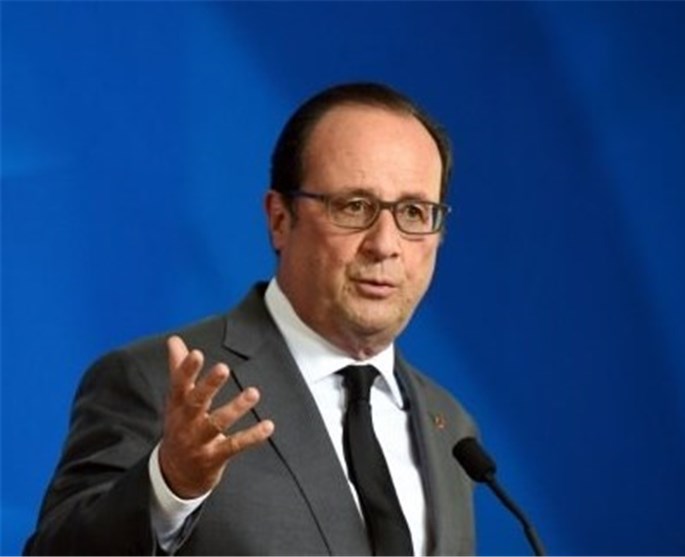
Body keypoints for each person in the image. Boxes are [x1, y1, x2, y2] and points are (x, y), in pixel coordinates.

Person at [24, 82, 478, 556]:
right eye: (354, 207)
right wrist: (169, 485)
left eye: (414, 212)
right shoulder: (156, 382)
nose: (385, 244)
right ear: (280, 219)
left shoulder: (451, 427)